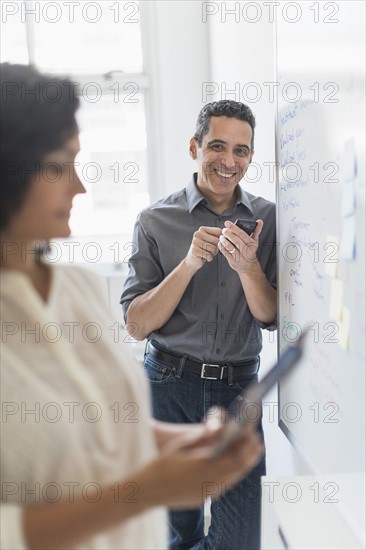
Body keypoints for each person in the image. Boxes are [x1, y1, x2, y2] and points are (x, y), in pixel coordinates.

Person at [0, 65, 264, 550]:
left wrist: (181, 442)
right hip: (170, 377)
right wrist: (150, 487)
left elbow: (105, 421)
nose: (80, 187)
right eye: (60, 165)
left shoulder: (74, 288)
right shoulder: (155, 220)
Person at [121, 100, 277, 549]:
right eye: (217, 146)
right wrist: (189, 264)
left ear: (250, 156)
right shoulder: (155, 220)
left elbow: (269, 316)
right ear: (194, 147)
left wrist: (248, 267)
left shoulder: (268, 218)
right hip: (168, 384)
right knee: (174, 532)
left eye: (242, 151)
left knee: (239, 540)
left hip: (238, 390)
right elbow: (136, 324)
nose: (229, 162)